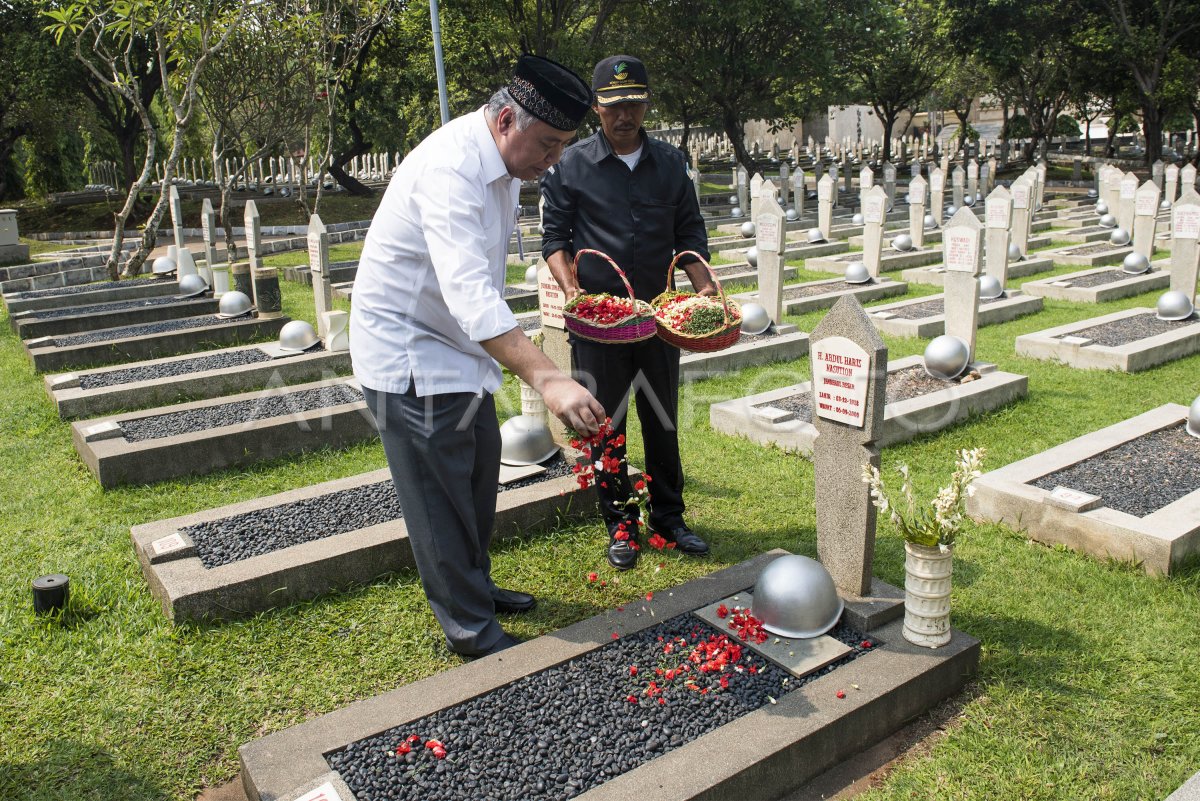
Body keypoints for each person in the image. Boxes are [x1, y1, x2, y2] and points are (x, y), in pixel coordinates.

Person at [350, 55, 605, 659]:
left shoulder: (506, 163)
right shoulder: (451, 168)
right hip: (408, 352)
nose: (551, 162)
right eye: (546, 145)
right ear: (506, 119)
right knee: (438, 495)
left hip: (455, 345)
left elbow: (476, 286)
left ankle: (475, 586)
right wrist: (548, 378)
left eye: (562, 147)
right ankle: (469, 627)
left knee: (476, 471)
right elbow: (468, 293)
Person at [541, 55, 713, 571]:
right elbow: (555, 240)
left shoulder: (670, 163)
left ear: (646, 104)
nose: (625, 115)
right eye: (614, 105)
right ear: (596, 107)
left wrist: (705, 293)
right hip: (601, 325)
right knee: (604, 424)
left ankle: (668, 516)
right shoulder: (571, 165)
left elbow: (690, 236)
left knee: (662, 421)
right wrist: (573, 292)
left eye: (634, 104)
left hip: (659, 321)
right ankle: (619, 523)